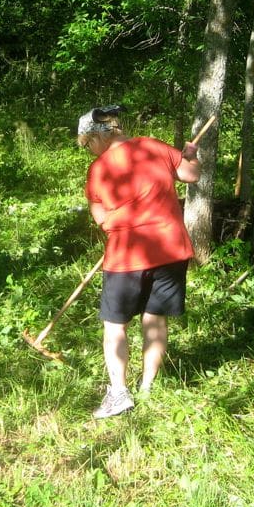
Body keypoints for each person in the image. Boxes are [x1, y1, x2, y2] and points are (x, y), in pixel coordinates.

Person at [79, 105, 201, 419]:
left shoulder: (98, 170)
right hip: (170, 249)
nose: (88, 150)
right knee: (155, 319)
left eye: (87, 143)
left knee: (115, 325)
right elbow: (190, 175)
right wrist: (189, 154)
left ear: (99, 136)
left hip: (126, 255)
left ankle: (119, 392)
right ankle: (146, 388)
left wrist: (116, 221)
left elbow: (100, 218)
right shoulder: (154, 147)